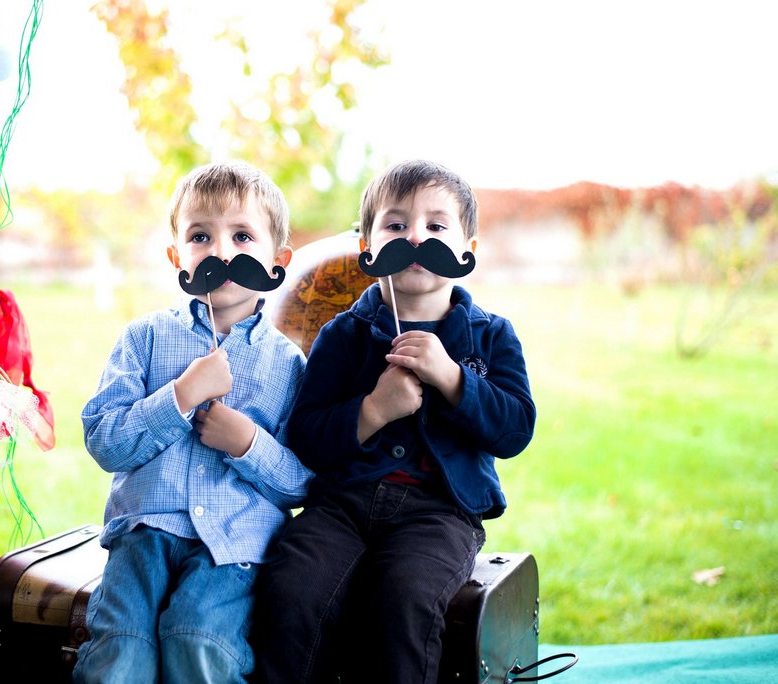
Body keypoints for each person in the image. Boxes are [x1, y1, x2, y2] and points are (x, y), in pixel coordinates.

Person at [253, 159, 536, 683]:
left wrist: (453, 379)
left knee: (405, 598)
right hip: (341, 506)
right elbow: (307, 436)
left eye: (436, 225)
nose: (416, 238)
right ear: (368, 248)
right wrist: (374, 410)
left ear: (467, 250)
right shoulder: (344, 335)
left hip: (440, 512)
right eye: (397, 224)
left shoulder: (491, 336)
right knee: (294, 587)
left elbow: (514, 429)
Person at [74, 161, 314, 684]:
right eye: (200, 236)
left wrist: (247, 443)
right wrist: (179, 397)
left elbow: (302, 483)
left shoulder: (289, 365)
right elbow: (105, 442)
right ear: (176, 256)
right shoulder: (143, 339)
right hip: (144, 535)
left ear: (277, 260)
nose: (221, 252)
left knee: (198, 642)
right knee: (120, 656)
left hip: (235, 548)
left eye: (242, 236)